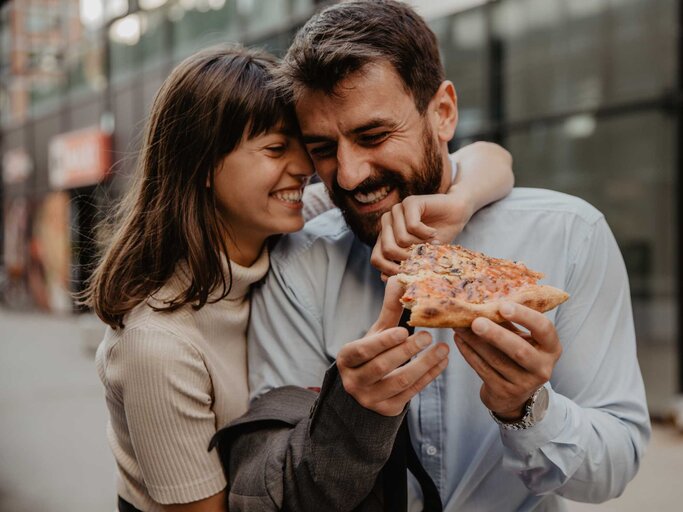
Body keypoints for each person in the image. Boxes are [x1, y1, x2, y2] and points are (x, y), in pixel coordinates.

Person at [242, 1, 651, 511]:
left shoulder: (570, 234)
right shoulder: (299, 262)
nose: (348, 175)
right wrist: (351, 414)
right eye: (323, 147)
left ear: (443, 113)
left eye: (373, 136)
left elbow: (614, 467)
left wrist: (528, 408)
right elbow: (276, 486)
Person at [81, 43, 514, 512]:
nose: (309, 169)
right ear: (202, 164)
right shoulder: (157, 347)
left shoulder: (287, 219)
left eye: (305, 147)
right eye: (274, 149)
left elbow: (489, 158)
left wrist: (460, 202)